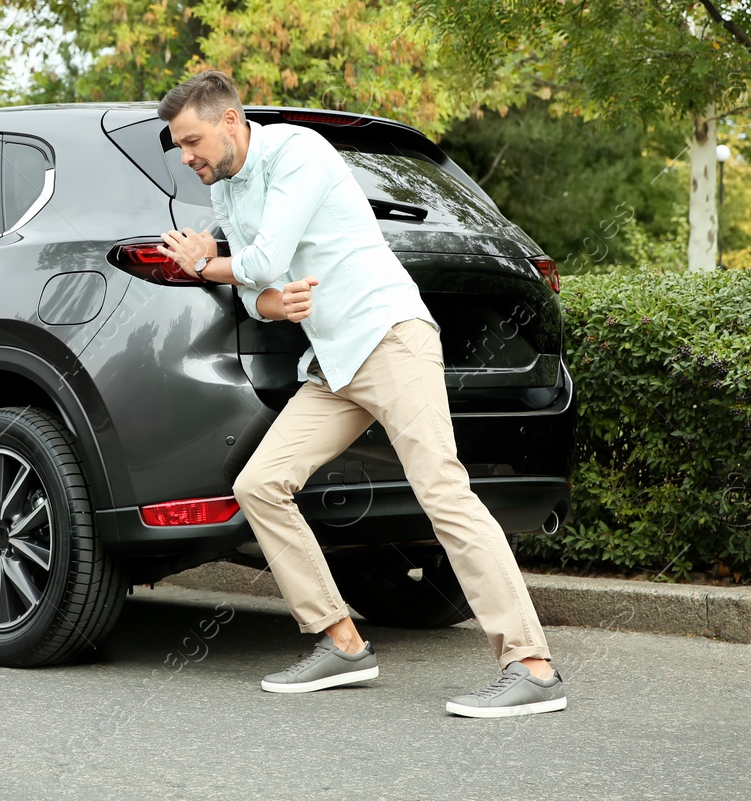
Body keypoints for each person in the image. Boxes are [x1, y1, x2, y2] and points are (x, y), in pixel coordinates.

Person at [155, 69, 566, 717]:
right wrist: (264, 294)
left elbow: (259, 264)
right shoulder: (230, 191)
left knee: (443, 492)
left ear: (230, 120)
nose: (187, 156)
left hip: (388, 336)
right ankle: (339, 641)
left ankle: (531, 666)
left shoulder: (298, 152)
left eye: (191, 140)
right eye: (179, 146)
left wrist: (205, 263)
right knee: (261, 483)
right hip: (335, 364)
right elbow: (258, 297)